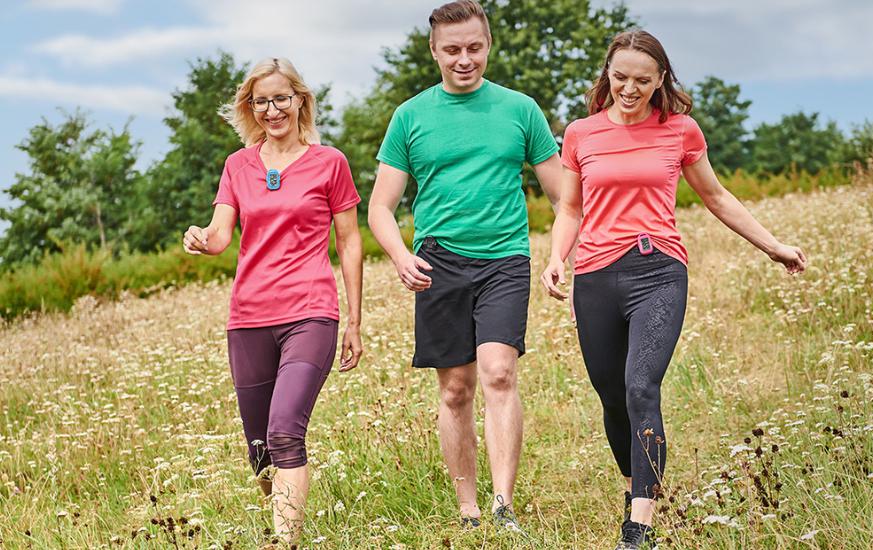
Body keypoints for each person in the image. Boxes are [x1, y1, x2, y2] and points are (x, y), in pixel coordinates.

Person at [541, 31, 807, 550]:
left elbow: (716, 196)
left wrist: (772, 245)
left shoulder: (679, 130)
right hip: (595, 275)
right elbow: (570, 208)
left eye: (643, 80)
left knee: (641, 387)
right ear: (607, 74)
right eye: (621, 78)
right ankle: (634, 485)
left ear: (661, 79)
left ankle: (640, 523)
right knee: (612, 398)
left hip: (658, 271)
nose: (630, 89)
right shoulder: (581, 133)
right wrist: (556, 257)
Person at [367, 0, 563, 532]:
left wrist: (560, 253)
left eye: (474, 47)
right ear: (433, 51)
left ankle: (503, 506)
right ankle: (469, 509)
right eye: (452, 50)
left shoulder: (520, 110)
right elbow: (380, 207)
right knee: (455, 388)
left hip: (505, 258)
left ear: (488, 46)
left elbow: (564, 195)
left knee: (499, 373)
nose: (464, 59)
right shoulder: (410, 116)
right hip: (438, 263)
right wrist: (401, 255)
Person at [182, 57, 364, 545]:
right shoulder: (237, 166)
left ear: (299, 100)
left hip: (311, 311)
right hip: (248, 317)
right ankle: (279, 515)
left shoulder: (331, 163)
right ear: (250, 107)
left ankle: (285, 542)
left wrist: (354, 320)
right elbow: (222, 234)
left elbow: (348, 241)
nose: (272, 109)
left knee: (285, 432)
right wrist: (201, 236)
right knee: (260, 449)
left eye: (281, 98)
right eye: (261, 101)